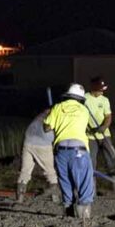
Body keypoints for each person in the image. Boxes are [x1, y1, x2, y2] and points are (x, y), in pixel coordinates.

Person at [44, 88, 95, 220]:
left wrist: (52, 115)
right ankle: (84, 217)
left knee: (65, 181)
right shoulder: (84, 110)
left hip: (61, 151)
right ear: (80, 98)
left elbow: (46, 128)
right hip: (79, 150)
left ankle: (69, 214)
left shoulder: (57, 107)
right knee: (84, 182)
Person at [13, 104, 57, 198]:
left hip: (28, 143)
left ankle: (20, 197)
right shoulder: (53, 116)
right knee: (50, 172)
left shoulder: (39, 116)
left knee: (25, 171)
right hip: (43, 144)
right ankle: (55, 197)